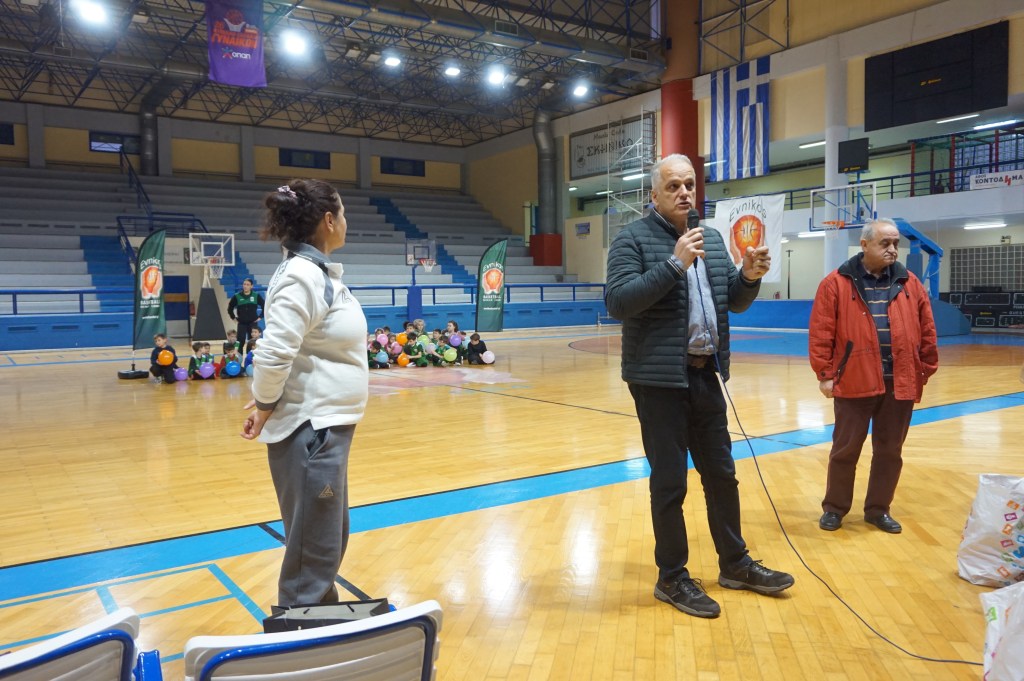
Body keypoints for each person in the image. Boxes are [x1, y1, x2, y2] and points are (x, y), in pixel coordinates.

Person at [604, 153, 794, 619]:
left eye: (689, 184)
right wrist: (674, 264)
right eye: (673, 186)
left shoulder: (710, 238)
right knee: (670, 482)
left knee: (722, 475)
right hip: (657, 381)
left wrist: (749, 276)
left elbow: (733, 300)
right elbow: (618, 302)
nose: (684, 192)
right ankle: (671, 578)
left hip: (706, 375)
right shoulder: (632, 239)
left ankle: (735, 564)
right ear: (654, 194)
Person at [241, 179, 369, 608]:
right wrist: (264, 404)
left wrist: (267, 400)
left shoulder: (314, 272)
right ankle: (299, 630)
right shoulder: (302, 275)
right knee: (314, 548)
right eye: (343, 213)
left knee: (324, 538)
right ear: (329, 220)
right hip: (312, 429)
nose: (346, 221)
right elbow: (274, 352)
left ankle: (321, 616)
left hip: (324, 428)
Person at [809, 218, 938, 535]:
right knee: (845, 450)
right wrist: (825, 374)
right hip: (854, 380)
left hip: (900, 382)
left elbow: (927, 329)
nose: (893, 249)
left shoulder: (911, 283)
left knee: (890, 452)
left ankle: (878, 510)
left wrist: (925, 368)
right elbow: (821, 331)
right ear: (864, 244)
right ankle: (835, 508)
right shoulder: (835, 283)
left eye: (896, 243)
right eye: (885, 243)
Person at [227, 278, 266, 345]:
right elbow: (230, 308)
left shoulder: (256, 295)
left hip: (253, 322)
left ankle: (251, 352)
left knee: (252, 342)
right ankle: (238, 352)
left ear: (251, 286)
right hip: (241, 323)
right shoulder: (237, 296)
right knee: (240, 341)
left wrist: (260, 317)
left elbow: (264, 306)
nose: (245, 286)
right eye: (244, 284)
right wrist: (233, 318)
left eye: (248, 285)